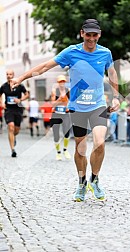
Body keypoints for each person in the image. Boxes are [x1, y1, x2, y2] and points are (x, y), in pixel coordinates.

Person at [10, 19, 120, 201]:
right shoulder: (72, 52)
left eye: (95, 35)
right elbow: (45, 66)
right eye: (88, 34)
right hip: (77, 107)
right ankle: (82, 182)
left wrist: (116, 95)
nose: (91, 38)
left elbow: (112, 73)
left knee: (100, 142)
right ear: (82, 33)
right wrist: (21, 78)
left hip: (98, 105)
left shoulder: (105, 53)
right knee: (81, 149)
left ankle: (95, 179)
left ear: (99, 35)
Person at [0, 69, 29, 157]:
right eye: (7, 74)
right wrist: (1, 103)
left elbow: (27, 94)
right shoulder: (4, 86)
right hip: (8, 109)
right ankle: (13, 149)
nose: (9, 76)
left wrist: (20, 100)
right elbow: (0, 95)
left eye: (10, 74)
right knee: (10, 127)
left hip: (18, 109)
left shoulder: (19, 85)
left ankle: (14, 137)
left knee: (16, 130)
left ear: (13, 75)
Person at [50, 75, 72, 160]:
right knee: (56, 135)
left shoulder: (68, 91)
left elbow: (71, 102)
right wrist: (59, 99)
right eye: (60, 82)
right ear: (58, 83)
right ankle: (58, 152)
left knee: (66, 132)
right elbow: (52, 104)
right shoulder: (54, 91)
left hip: (65, 114)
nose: (62, 83)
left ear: (65, 82)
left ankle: (65, 150)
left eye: (63, 81)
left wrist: (68, 106)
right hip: (56, 114)